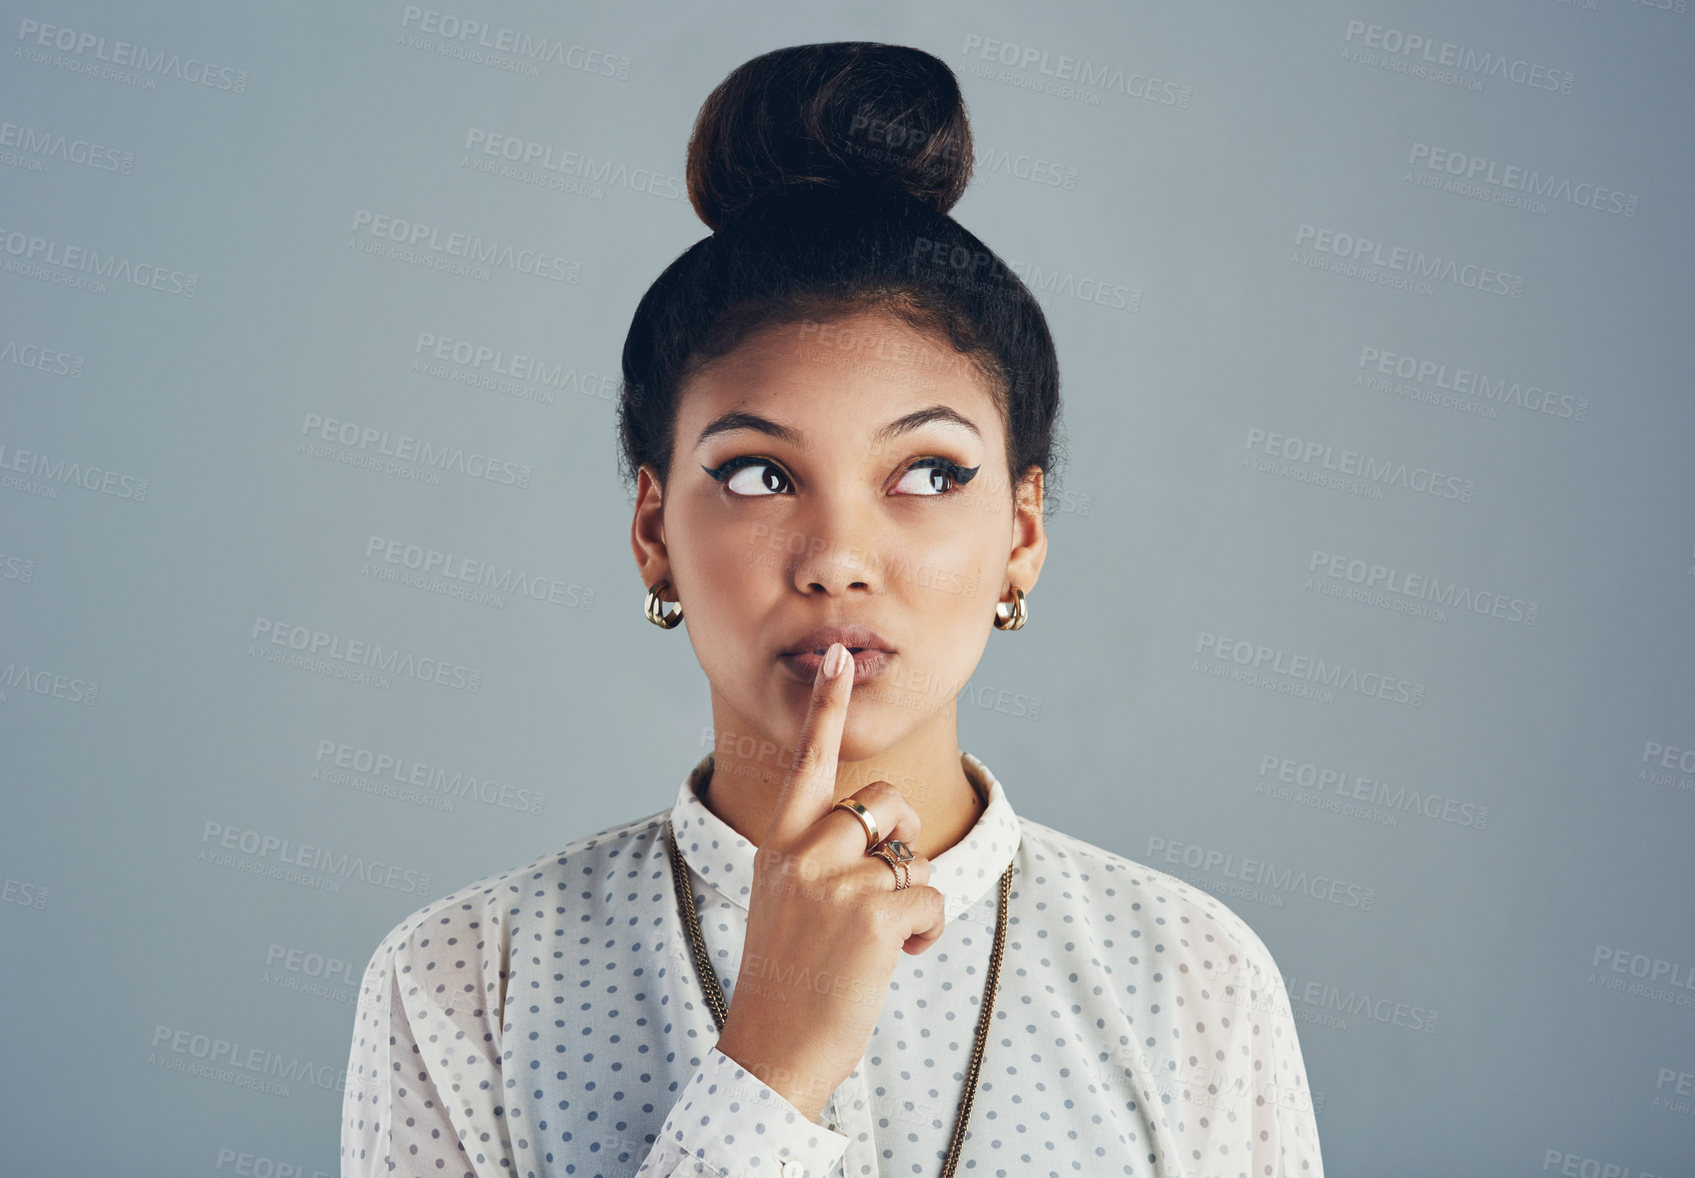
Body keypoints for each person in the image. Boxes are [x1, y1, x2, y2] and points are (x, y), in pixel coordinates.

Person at [340, 41, 1324, 1178]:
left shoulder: (1191, 974)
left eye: (930, 473)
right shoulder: (469, 975)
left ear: (1022, 534)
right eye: (760, 473)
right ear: (655, 532)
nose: (838, 558)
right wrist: (768, 1068)